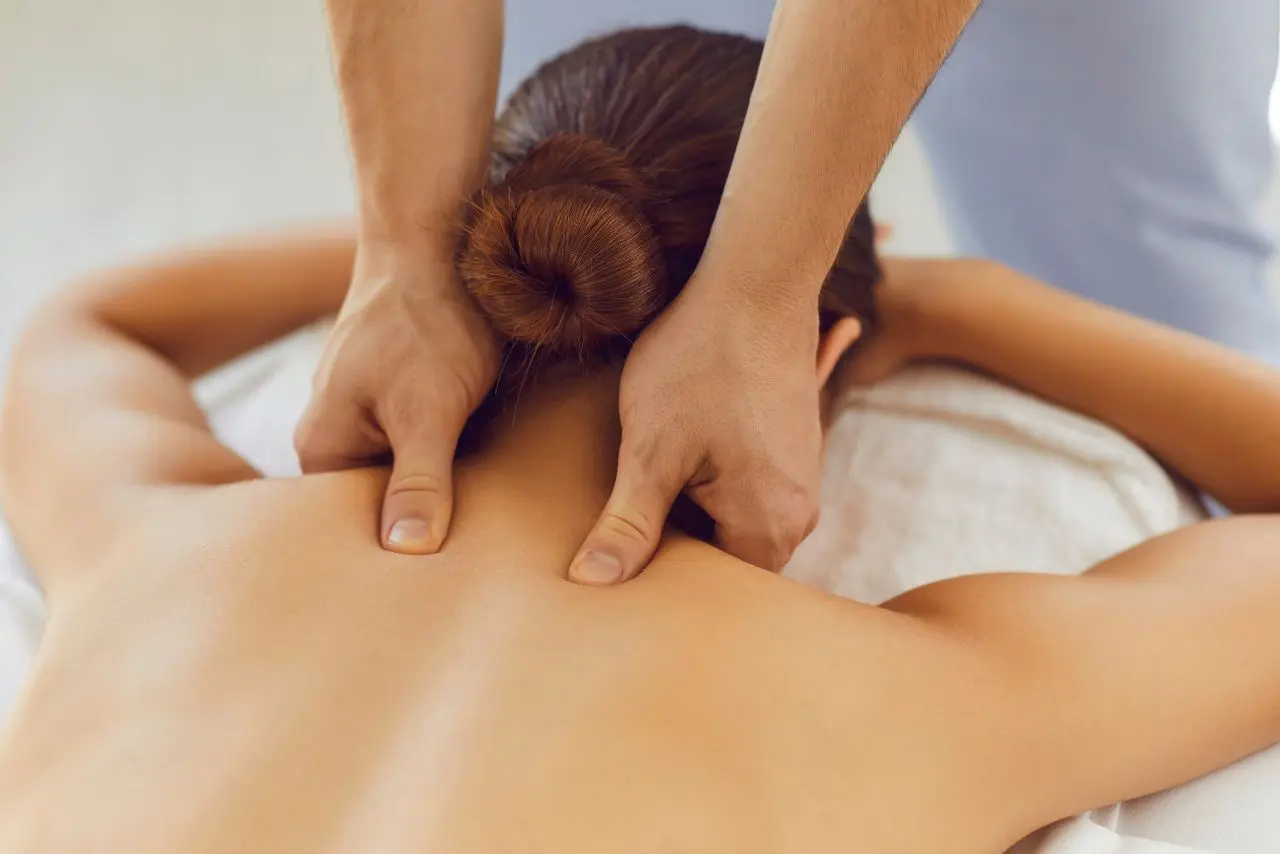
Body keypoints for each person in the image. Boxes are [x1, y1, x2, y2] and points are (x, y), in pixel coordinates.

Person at [3, 26, 1280, 852]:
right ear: (823, 367)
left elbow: (85, 321)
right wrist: (953, 296)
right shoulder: (918, 694)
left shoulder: (159, 546)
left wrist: (420, 258)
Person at [304, 0, 1280, 581]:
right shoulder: (910, 668)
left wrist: (757, 289)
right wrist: (412, 259)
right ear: (838, 345)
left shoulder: (205, 539)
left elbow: (138, 316)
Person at [303, 0, 985, 578]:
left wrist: (409, 253)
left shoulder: (227, 545)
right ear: (826, 355)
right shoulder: (906, 670)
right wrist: (921, 303)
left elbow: (186, 309)